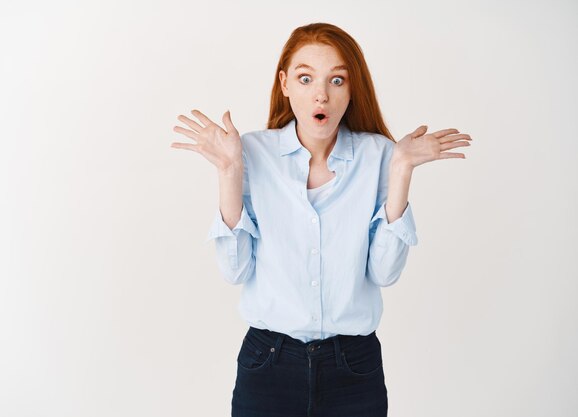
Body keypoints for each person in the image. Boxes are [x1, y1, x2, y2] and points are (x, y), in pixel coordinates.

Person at [170, 22, 471, 417]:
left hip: (354, 368)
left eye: (337, 80)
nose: (321, 95)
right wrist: (228, 170)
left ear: (352, 87)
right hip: (268, 364)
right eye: (306, 77)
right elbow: (235, 269)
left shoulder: (379, 155)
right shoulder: (250, 153)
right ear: (285, 84)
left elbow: (384, 273)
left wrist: (401, 170)